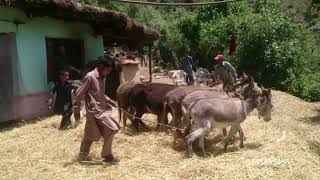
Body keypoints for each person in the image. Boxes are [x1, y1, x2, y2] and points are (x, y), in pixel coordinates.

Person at [73, 57, 120, 163]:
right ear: (101, 67)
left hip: (101, 110)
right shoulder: (90, 77)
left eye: (109, 71)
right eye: (107, 70)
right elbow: (79, 94)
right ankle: (107, 155)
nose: (108, 73)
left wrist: (109, 100)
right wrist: (76, 110)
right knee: (112, 129)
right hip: (93, 112)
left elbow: (100, 93)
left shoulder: (103, 77)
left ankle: (82, 155)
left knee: (90, 134)